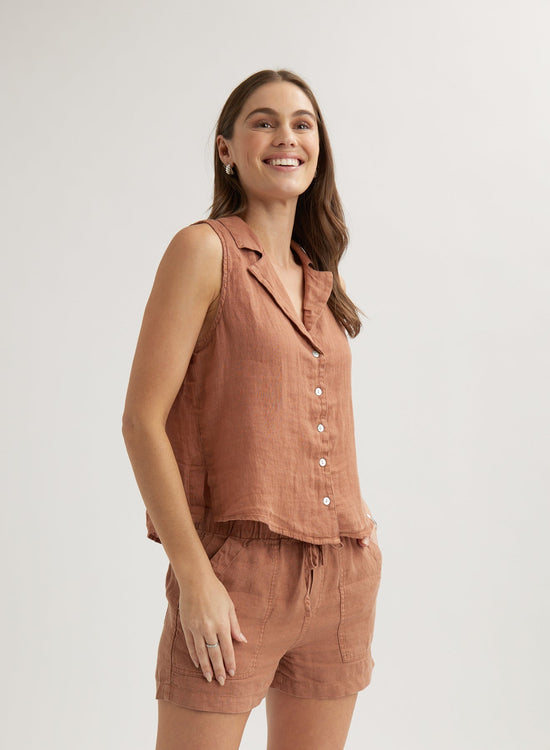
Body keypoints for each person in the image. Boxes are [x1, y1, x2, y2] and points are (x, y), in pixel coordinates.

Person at [122, 69, 382, 750]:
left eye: (302, 123)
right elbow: (141, 420)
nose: (285, 136)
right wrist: (195, 577)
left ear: (318, 147)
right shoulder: (203, 250)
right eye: (263, 122)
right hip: (237, 576)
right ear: (227, 150)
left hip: (342, 574)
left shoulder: (319, 275)